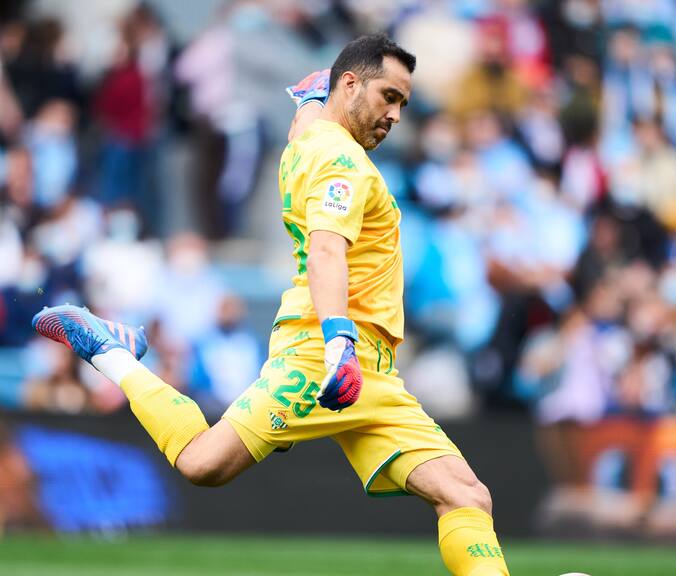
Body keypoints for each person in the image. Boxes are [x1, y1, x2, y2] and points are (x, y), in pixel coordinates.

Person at [32, 34, 509, 575]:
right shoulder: (341, 162)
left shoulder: (309, 137)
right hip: (324, 353)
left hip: (373, 371)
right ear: (348, 84)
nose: (396, 114)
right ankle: (111, 352)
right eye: (388, 96)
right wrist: (338, 345)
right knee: (203, 463)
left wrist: (309, 101)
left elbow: (307, 122)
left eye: (403, 102)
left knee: (467, 496)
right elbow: (329, 249)